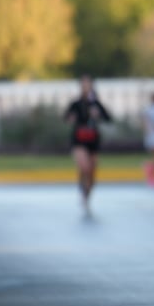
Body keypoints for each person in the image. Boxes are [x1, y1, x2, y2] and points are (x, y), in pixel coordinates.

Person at [64, 75, 111, 214]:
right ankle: (82, 186)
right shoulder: (76, 104)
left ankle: (87, 196)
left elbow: (108, 118)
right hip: (79, 139)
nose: (85, 87)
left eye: (88, 84)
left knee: (92, 172)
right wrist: (71, 118)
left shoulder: (96, 103)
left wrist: (98, 115)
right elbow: (66, 117)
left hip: (93, 140)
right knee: (84, 167)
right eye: (83, 84)